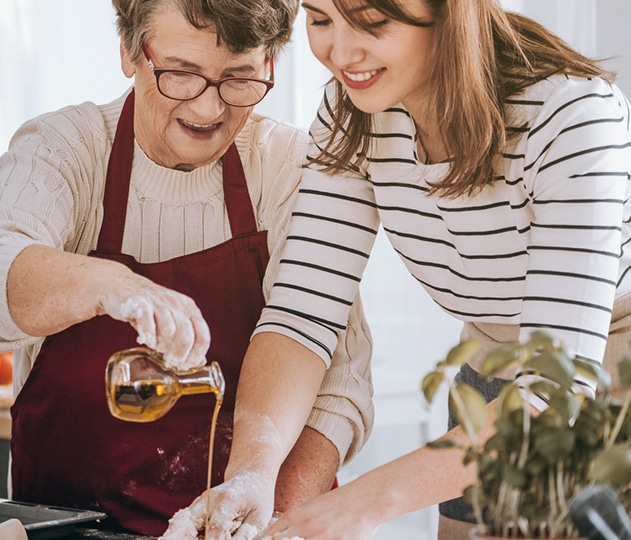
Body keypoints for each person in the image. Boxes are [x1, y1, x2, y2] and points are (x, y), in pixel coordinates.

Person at [165, 0, 631, 538]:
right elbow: (302, 314)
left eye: (370, 21)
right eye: (320, 21)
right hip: (492, 368)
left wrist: (356, 505)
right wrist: (253, 471)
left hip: (605, 376)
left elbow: (554, 392)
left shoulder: (572, 115)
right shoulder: (351, 112)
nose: (340, 53)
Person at [0, 0, 375, 536]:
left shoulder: (290, 166)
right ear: (129, 49)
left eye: (239, 79)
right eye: (181, 74)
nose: (208, 109)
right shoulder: (66, 148)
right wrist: (109, 284)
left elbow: (339, 383)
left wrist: (269, 519)